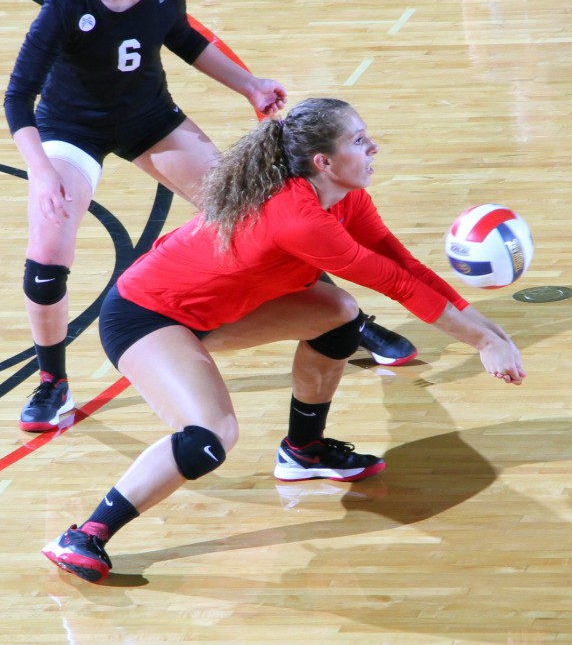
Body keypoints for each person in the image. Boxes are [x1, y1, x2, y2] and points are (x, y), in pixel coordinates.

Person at [40, 97, 526, 583]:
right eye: (358, 141)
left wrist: (492, 334)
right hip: (145, 317)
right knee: (210, 438)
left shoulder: (345, 198)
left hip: (217, 311)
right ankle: (86, 535)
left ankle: (303, 451)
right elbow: (396, 285)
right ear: (324, 162)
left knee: (339, 314)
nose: (373, 146)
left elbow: (406, 267)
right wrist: (484, 344)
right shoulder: (299, 219)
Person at [4, 0, 417, 433]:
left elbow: (180, 35)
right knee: (48, 246)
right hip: (70, 129)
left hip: (149, 118)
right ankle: (52, 380)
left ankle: (345, 322)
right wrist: (41, 173)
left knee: (260, 216)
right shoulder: (68, 1)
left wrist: (249, 84)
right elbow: (18, 97)